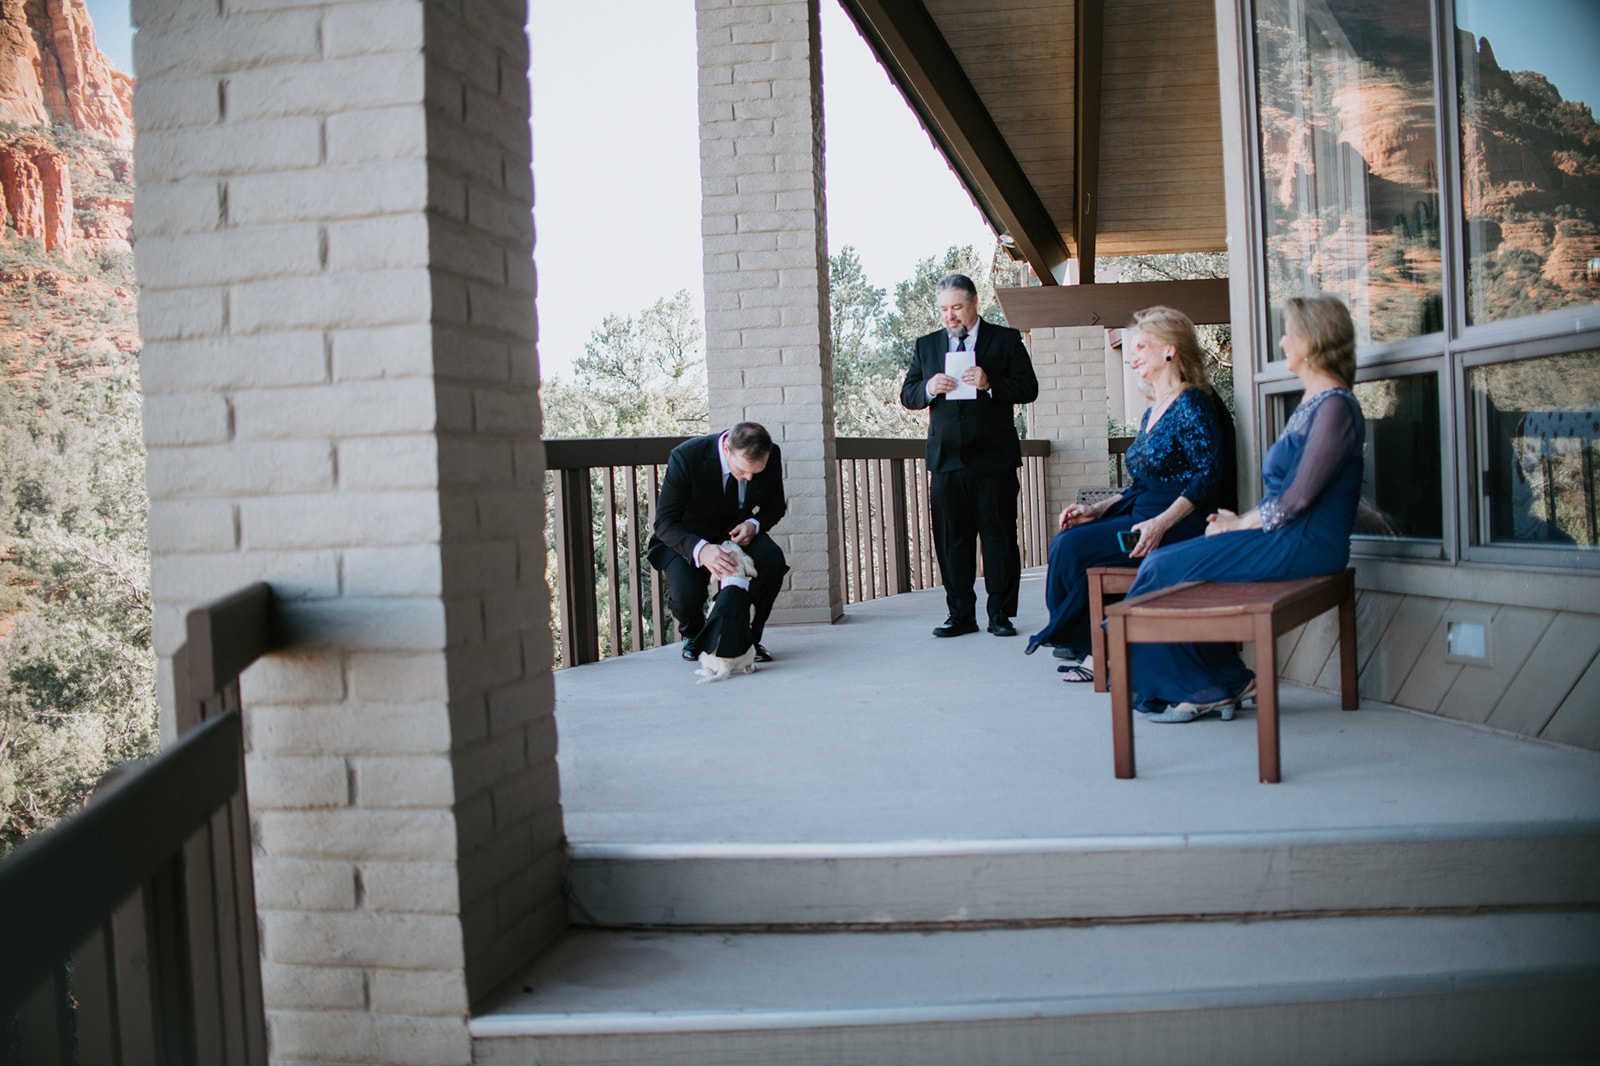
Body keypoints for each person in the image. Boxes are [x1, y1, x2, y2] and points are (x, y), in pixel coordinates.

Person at [1125, 294, 1366, 722]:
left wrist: (1239, 525)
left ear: (1313, 341)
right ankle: (1220, 679)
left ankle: (1199, 685)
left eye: (1290, 333)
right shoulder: (1313, 404)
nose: (1283, 342)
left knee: (1161, 568)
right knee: (1167, 566)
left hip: (1306, 543)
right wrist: (1240, 523)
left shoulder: (1335, 407)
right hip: (1283, 534)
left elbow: (1297, 499)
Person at [1024, 306, 1227, 679]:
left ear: (1170, 350)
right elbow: (1140, 484)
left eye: (1141, 347)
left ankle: (1096, 650)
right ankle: (1092, 645)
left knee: (1074, 549)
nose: (1132, 356)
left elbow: (1207, 477)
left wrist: (1161, 524)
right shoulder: (1153, 412)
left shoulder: (1193, 402)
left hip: (1179, 522)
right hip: (1141, 513)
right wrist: (1098, 510)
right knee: (1071, 539)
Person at [900, 274, 1039, 638]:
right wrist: (929, 387)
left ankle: (1001, 615)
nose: (950, 316)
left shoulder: (1006, 340)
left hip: (994, 458)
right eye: (944, 309)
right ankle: (960, 615)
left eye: (957, 307)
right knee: (952, 540)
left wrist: (991, 382)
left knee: (1000, 538)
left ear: (975, 303)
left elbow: (1029, 388)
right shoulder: (927, 345)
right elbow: (908, 394)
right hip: (946, 459)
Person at [647, 422, 789, 662]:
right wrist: (701, 550)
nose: (749, 477)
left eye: (756, 472)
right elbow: (664, 522)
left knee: (772, 561)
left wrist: (753, 525)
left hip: (736, 533)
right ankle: (695, 635)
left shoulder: (771, 454)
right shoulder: (686, 456)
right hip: (688, 536)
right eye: (743, 471)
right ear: (726, 448)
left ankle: (749, 639)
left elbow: (774, 507)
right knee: (685, 596)